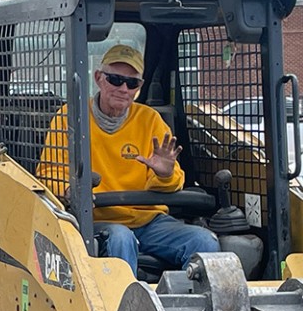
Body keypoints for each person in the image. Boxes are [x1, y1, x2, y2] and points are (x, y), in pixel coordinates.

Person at [38, 44, 219, 275]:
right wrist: (68, 190)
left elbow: (174, 181)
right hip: (96, 220)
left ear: (139, 87)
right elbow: (49, 171)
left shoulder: (150, 121)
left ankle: (189, 307)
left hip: (149, 221)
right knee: (121, 238)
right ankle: (125, 309)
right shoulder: (70, 117)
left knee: (204, 241)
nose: (123, 88)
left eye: (132, 83)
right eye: (115, 79)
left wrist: (164, 174)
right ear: (98, 78)